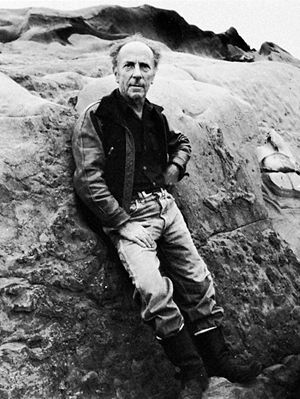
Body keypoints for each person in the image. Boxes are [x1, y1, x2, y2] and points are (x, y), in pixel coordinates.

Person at [72, 34, 261, 399]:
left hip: (165, 207)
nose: (137, 74)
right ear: (115, 71)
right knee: (152, 289)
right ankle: (190, 370)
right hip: (130, 219)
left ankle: (219, 359)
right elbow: (88, 180)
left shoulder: (156, 115)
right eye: (129, 65)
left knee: (197, 279)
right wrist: (124, 224)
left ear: (154, 73)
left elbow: (181, 143)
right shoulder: (97, 117)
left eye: (145, 66)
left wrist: (174, 168)